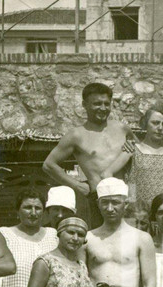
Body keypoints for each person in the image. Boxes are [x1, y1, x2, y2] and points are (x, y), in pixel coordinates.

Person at [42, 82, 137, 226]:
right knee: (103, 242)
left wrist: (133, 148)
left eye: (107, 103)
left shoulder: (122, 129)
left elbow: (139, 155)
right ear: (84, 104)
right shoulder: (76, 135)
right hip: (99, 198)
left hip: (127, 197)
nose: (103, 108)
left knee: (131, 240)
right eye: (97, 104)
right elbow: (49, 165)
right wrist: (78, 186)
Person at [113, 106, 163, 210]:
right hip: (139, 212)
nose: (160, 128)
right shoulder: (132, 150)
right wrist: (130, 201)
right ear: (145, 125)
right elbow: (118, 178)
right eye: (155, 123)